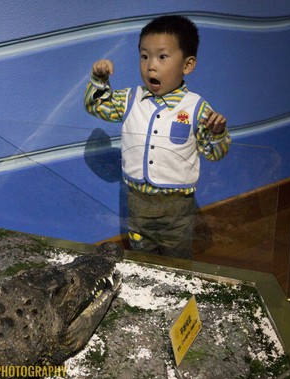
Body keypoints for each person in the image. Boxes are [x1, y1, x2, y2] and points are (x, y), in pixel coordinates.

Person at [84, 14, 231, 259]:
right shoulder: (130, 99)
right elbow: (96, 106)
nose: (151, 65)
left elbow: (214, 153)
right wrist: (100, 80)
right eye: (144, 56)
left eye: (162, 57)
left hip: (177, 207)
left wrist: (217, 133)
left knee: (177, 258)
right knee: (142, 257)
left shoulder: (196, 107)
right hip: (137, 202)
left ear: (187, 65)